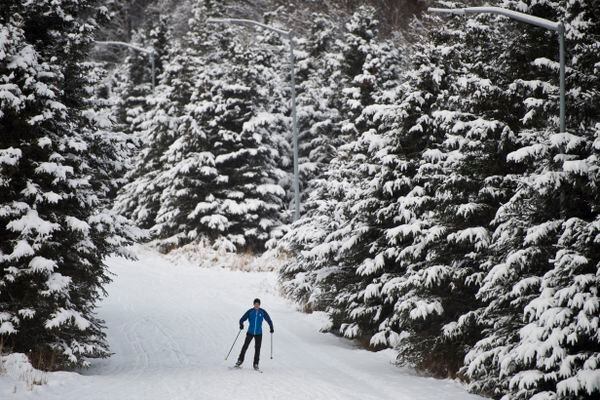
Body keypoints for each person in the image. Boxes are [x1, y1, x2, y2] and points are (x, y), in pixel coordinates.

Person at [236, 298, 274, 370]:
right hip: (250, 332)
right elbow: (242, 319)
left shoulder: (262, 312)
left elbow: (268, 319)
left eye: (258, 304)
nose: (256, 305)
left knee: (257, 349)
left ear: (259, 305)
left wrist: (271, 327)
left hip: (259, 333)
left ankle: (256, 364)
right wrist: (241, 324)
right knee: (245, 346)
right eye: (255, 304)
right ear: (253, 304)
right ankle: (240, 360)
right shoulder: (250, 311)